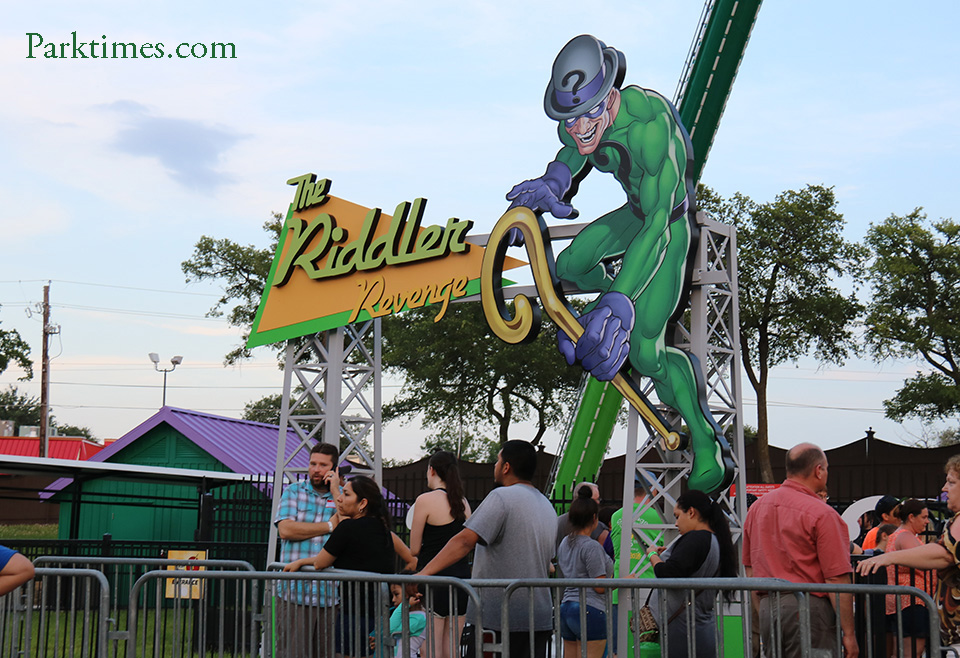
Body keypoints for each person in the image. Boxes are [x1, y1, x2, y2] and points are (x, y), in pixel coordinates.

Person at [506, 34, 734, 495]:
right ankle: (615, 291)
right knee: (566, 268)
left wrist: (620, 299)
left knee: (647, 351)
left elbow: (658, 223)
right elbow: (574, 152)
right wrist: (556, 179)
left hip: (666, 223)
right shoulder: (575, 125)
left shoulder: (649, 124)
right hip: (634, 214)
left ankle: (706, 442)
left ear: (610, 97)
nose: (580, 127)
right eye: (570, 118)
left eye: (590, 113)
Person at [418, 440, 556, 658]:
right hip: (538, 618)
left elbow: (464, 541)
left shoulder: (501, 496)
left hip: (499, 618)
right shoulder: (546, 505)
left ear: (506, 467)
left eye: (497, 461)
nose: (495, 466)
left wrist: (422, 574)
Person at [742, 443, 858, 658]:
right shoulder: (823, 514)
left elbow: (749, 569)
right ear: (818, 471)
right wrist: (849, 633)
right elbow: (836, 578)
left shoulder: (756, 509)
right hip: (809, 609)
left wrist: (764, 609)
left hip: (768, 606)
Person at [285, 476, 397, 658]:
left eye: (346, 494)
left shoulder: (348, 528)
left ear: (362, 503)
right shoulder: (382, 528)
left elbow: (321, 562)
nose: (339, 498)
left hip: (354, 613)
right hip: (380, 611)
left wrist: (300, 561)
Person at [857, 456, 960, 654]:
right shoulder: (904, 535)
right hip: (911, 606)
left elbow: (944, 555)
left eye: (952, 482)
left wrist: (886, 557)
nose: (944, 489)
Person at [646, 490, 736, 657]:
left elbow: (667, 573)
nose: (676, 523)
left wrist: (652, 555)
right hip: (702, 627)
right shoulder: (715, 540)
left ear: (691, 512)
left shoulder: (695, 538)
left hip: (683, 629)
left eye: (678, 516)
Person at [274, 442, 342, 658]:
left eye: (323, 465)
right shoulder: (293, 491)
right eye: (313, 463)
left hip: (329, 594)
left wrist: (335, 490)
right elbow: (285, 530)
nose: (316, 469)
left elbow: (350, 528)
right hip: (294, 592)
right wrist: (329, 527)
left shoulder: (342, 497)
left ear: (334, 469)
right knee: (292, 653)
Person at [409, 451, 472, 658]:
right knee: (452, 648)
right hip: (461, 579)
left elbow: (414, 549)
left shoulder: (425, 500)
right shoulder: (463, 503)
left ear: (432, 470)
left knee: (430, 648)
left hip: (434, 579)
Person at [556, 485, 613, 658]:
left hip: (566, 607)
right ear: (594, 518)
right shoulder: (591, 546)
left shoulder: (565, 542)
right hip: (590, 608)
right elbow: (599, 586)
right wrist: (623, 580)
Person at [609, 473, 662, 657]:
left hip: (620, 591)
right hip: (650, 595)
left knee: (618, 650)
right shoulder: (660, 518)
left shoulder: (616, 516)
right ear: (653, 489)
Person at [883, 498, 934, 658]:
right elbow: (926, 560)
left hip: (900, 602)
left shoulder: (896, 535)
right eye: (924, 517)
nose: (927, 521)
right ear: (911, 517)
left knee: (900, 652)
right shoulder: (906, 536)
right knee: (912, 652)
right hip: (912, 602)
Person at [557, 482, 610, 555]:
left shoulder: (559, 523)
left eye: (598, 499)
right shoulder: (599, 533)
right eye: (595, 500)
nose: (598, 503)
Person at [388, 575, 428, 658]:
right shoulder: (405, 614)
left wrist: (403, 605)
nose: (393, 600)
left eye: (396, 594)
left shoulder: (419, 618)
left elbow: (391, 629)